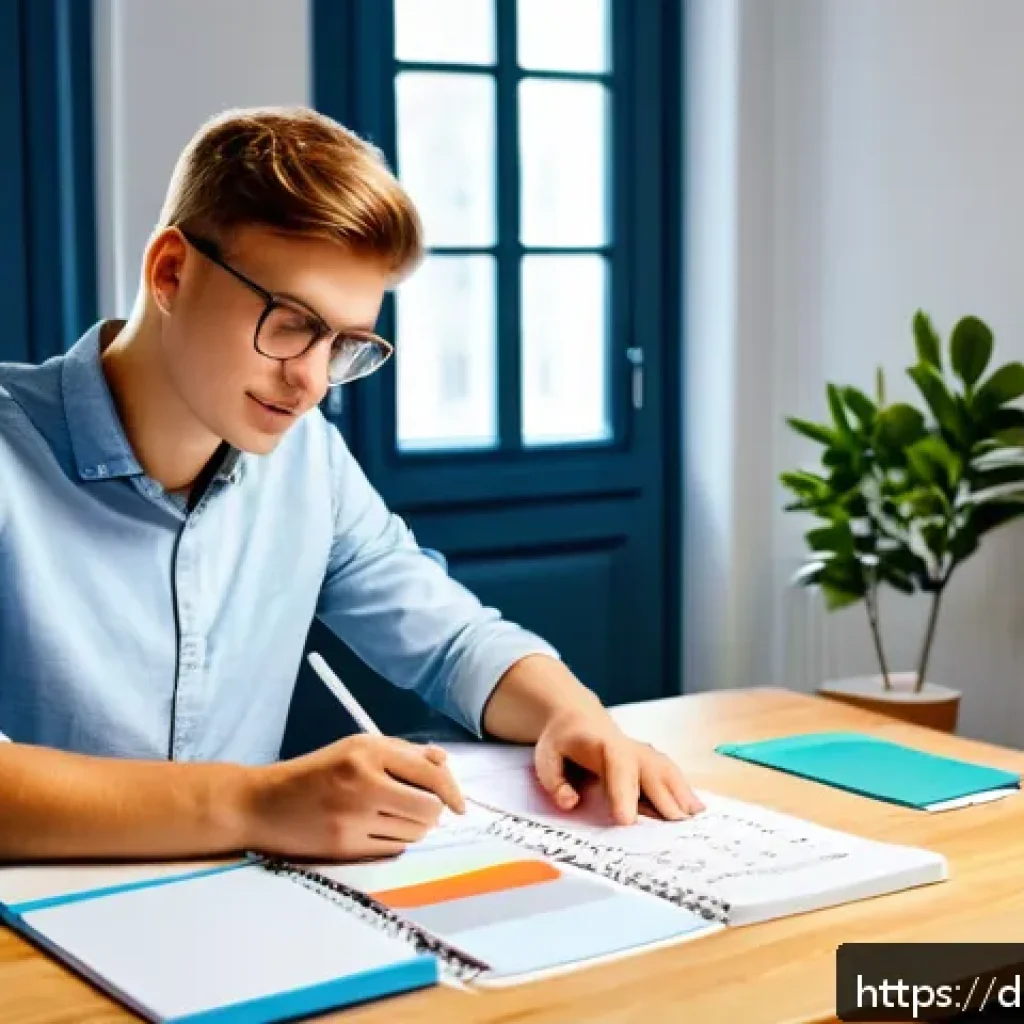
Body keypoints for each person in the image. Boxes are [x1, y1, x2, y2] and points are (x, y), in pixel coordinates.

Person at [0, 106, 702, 864]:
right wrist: (255, 803)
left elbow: (453, 642)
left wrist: (573, 712)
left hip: (231, 926)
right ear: (172, 272)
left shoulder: (307, 462)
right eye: (292, 321)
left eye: (344, 345)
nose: (309, 382)